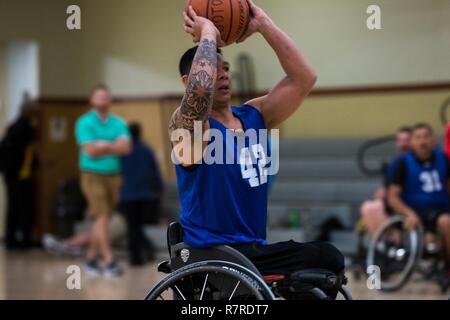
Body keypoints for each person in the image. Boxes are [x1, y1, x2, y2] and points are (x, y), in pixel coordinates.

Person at [169, 2, 344, 299]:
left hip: (252, 251)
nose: (223, 74)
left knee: (327, 260)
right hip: (215, 254)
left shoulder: (254, 115)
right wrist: (209, 32)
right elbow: (198, 95)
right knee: (323, 260)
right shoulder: (189, 129)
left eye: (226, 69)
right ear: (188, 81)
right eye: (215, 68)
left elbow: (304, 78)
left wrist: (263, 25)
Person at [75, 84, 131, 277]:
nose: (102, 100)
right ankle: (108, 260)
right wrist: (113, 145)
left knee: (103, 219)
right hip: (92, 174)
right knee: (102, 216)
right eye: (98, 96)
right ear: (92, 100)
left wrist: (103, 145)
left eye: (105, 96)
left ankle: (91, 259)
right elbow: (89, 151)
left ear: (110, 100)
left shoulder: (118, 122)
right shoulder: (84, 122)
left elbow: (126, 148)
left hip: (114, 175)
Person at [387, 123, 450, 279]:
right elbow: (392, 197)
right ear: (412, 142)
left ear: (434, 139)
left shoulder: (443, 158)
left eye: (426, 137)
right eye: (418, 137)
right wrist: (409, 213)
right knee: (445, 222)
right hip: (418, 210)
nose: (423, 141)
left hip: (442, 206)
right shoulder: (402, 163)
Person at [119, 122, 164, 266]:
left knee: (133, 226)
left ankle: (135, 258)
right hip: (145, 196)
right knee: (137, 226)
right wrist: (158, 190)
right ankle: (144, 253)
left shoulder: (123, 152)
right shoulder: (147, 150)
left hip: (127, 195)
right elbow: (155, 173)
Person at [0, 99, 39, 250]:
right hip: (19, 175)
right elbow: (34, 149)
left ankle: (15, 240)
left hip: (15, 174)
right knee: (22, 208)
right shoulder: (24, 128)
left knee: (16, 208)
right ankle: (22, 240)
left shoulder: (15, 126)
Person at [359, 127, 412, 236]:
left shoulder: (415, 162)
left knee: (378, 207)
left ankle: (394, 238)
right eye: (400, 141)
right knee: (369, 206)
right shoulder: (396, 163)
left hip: (408, 201)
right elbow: (386, 186)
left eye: (406, 140)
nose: (403, 144)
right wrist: (377, 198)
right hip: (394, 201)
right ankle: (384, 242)